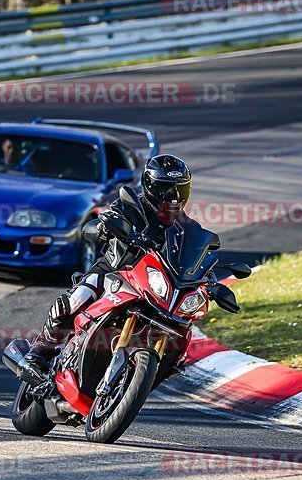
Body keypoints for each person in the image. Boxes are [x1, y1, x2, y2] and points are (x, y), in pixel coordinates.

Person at [23, 154, 193, 369]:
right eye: (166, 190)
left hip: (154, 286)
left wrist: (210, 275)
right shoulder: (131, 206)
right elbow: (94, 225)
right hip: (114, 271)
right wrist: (103, 227)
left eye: (180, 190)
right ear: (150, 186)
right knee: (78, 297)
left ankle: (164, 364)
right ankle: (42, 348)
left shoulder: (187, 226)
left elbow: (200, 253)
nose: (174, 198)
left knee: (181, 325)